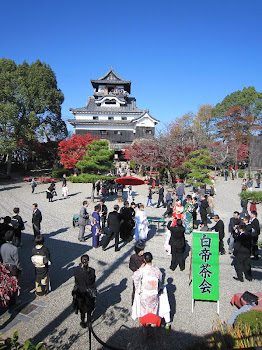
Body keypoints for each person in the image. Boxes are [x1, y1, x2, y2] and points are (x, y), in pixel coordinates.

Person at [133, 252, 162, 317]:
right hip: (153, 293)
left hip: (145, 294)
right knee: (153, 310)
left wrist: (138, 288)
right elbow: (160, 280)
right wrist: (158, 288)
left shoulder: (142, 270)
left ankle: (145, 323)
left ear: (144, 260)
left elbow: (135, 277)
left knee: (144, 310)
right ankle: (153, 323)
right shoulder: (157, 270)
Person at [72, 255, 96, 328]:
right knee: (89, 310)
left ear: (81, 262)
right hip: (89, 294)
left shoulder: (77, 272)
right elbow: (93, 281)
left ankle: (82, 322)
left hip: (80, 293)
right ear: (88, 261)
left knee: (82, 310)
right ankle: (89, 321)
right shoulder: (92, 271)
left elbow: (76, 282)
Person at [1, 230, 23, 306]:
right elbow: (17, 261)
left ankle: (8, 299)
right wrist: (20, 269)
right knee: (14, 283)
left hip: (4, 266)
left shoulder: (2, 246)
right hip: (12, 267)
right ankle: (14, 300)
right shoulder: (14, 249)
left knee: (7, 284)